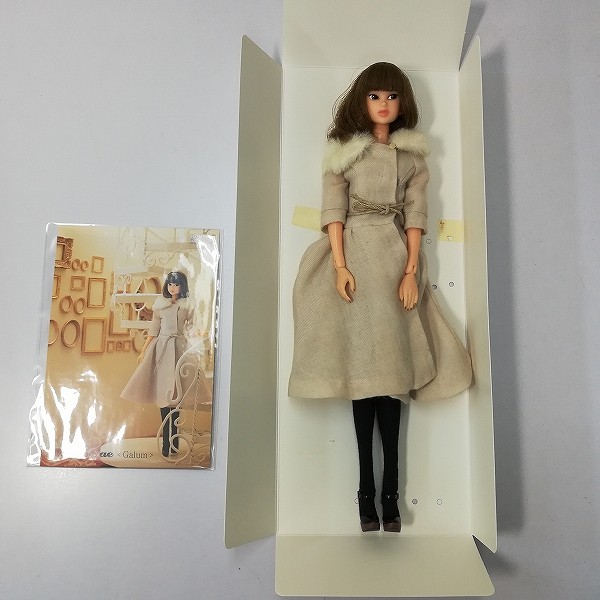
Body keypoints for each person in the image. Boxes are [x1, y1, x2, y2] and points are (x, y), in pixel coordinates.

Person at [288, 62, 472, 532]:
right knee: (362, 375)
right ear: (361, 102)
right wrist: (340, 265)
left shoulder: (412, 158)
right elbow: (333, 211)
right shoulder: (343, 154)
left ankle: (390, 496)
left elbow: (416, 215)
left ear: (402, 102)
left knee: (392, 374)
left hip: (393, 261)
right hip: (354, 259)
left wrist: (410, 272)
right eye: (374, 96)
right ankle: (365, 497)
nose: (384, 104)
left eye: (391, 96)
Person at [121, 271, 208, 458]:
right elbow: (153, 330)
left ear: (182, 286)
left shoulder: (187, 306)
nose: (173, 288)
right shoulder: (160, 306)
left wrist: (199, 337)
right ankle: (166, 442)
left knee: (176, 396)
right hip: (161, 348)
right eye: (170, 285)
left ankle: (174, 441)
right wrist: (144, 350)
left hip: (180, 349)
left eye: (176, 285)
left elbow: (192, 327)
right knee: (163, 396)